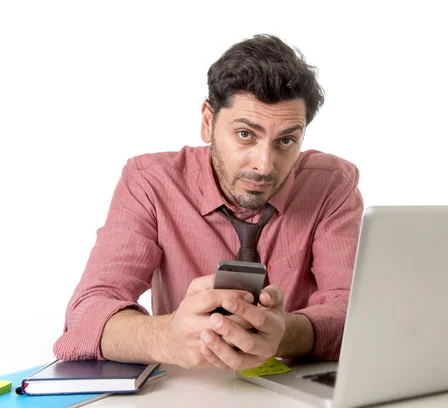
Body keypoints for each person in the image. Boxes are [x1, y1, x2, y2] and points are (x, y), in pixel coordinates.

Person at [53, 34, 364, 371]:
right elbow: (85, 313)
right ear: (207, 122)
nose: (264, 164)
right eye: (246, 134)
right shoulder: (149, 182)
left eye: (286, 140)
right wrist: (166, 337)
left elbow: (356, 311)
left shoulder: (331, 184)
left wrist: (284, 333)